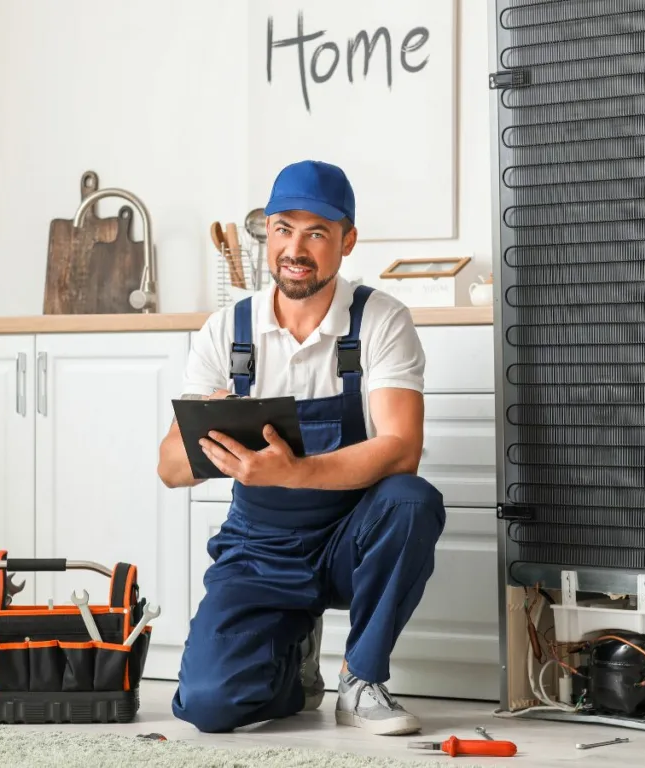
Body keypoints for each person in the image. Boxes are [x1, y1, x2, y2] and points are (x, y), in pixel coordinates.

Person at [157, 159, 446, 736]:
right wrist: (204, 435)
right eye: (284, 228)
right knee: (208, 706)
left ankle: (362, 680)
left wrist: (294, 471)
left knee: (412, 499)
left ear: (347, 241)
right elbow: (168, 468)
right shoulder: (228, 331)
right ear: (267, 231)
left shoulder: (379, 320)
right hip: (258, 546)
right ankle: (295, 668)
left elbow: (399, 450)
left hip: (349, 536)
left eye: (317, 232)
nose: (296, 247)